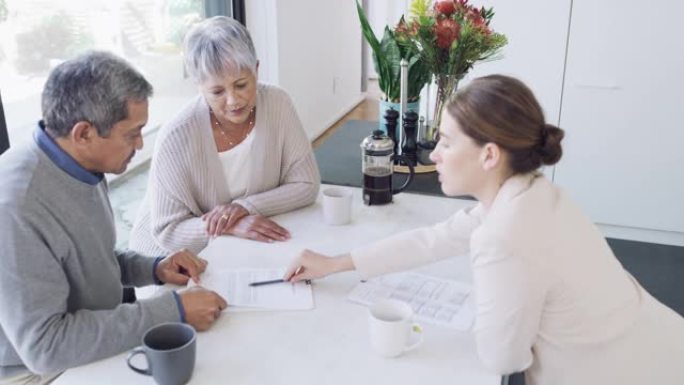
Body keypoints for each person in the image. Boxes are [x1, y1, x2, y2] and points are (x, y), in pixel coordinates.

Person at [285, 75, 684, 385]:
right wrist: (336, 263)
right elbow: (435, 239)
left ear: (489, 155)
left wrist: (496, 290)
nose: (435, 154)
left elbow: (503, 360)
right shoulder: (532, 193)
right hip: (661, 345)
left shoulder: (505, 234)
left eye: (445, 141)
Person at [0, 51, 227, 384]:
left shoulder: (80, 163)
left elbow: (86, 259)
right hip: (37, 371)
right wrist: (173, 311)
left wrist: (152, 268)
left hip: (85, 336)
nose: (139, 144)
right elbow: (45, 346)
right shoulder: (16, 207)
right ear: (83, 134)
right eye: (131, 134)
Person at [129, 16, 320, 256]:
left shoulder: (277, 103)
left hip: (242, 243)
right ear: (199, 86)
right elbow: (168, 232)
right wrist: (231, 226)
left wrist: (243, 208)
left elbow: (306, 184)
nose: (233, 100)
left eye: (241, 85)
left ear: (257, 70)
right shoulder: (176, 135)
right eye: (217, 91)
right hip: (167, 257)